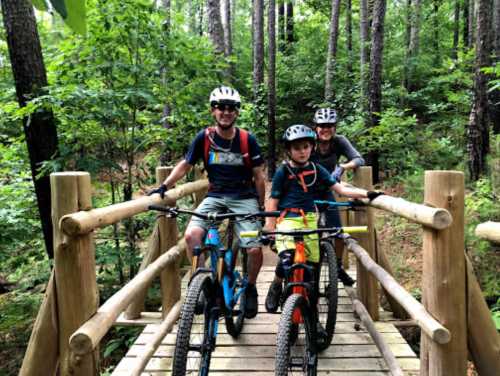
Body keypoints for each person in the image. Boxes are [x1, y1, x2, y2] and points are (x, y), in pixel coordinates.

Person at [149, 86, 266, 319]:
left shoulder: (246, 140)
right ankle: (201, 282)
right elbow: (186, 164)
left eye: (231, 108)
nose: (225, 112)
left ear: (237, 112)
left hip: (244, 197)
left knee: (253, 248)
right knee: (192, 236)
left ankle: (250, 288)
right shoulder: (204, 138)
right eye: (220, 107)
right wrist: (165, 186)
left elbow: (259, 176)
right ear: (213, 111)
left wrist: (260, 207)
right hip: (214, 196)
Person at [264, 124, 381, 319]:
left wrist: (368, 194)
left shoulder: (317, 169)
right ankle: (276, 284)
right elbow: (273, 200)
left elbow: (341, 190)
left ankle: (313, 318)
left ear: (312, 147)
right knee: (287, 258)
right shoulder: (282, 172)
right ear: (289, 150)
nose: (302, 152)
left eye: (306, 147)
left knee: (312, 271)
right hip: (288, 220)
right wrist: (269, 226)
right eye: (297, 148)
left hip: (310, 221)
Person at [312, 108, 365, 286]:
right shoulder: (309, 142)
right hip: (306, 192)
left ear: (334, 127)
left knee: (338, 232)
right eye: (322, 126)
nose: (325, 129)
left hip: (327, 190)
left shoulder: (339, 141)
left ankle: (338, 267)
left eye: (329, 126)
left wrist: (342, 167)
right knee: (308, 232)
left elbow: (359, 159)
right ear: (316, 127)